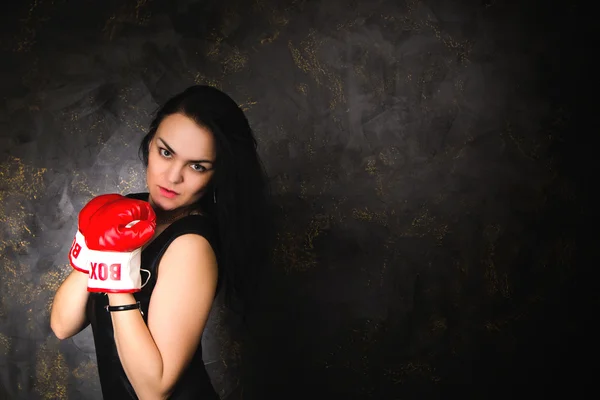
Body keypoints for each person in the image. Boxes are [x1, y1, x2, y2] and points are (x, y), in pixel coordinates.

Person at [50, 85, 273, 399]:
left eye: (197, 166)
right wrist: (95, 245)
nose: (172, 177)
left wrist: (117, 276)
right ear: (150, 142)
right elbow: (62, 325)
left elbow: (154, 389)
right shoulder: (129, 211)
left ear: (216, 173)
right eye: (165, 152)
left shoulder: (191, 245)